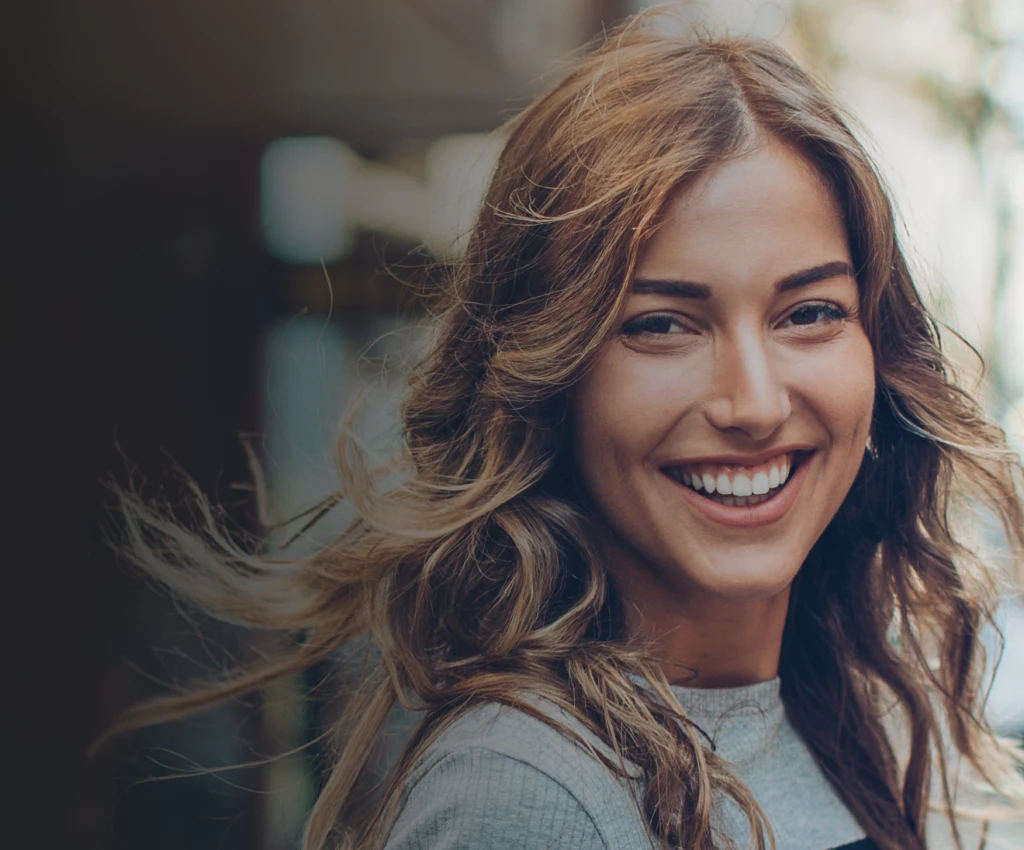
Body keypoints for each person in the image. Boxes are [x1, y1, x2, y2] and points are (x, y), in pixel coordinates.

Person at [105, 9, 1024, 850]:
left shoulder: (834, 718)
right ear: (550, 378)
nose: (752, 402)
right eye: (661, 324)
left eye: (808, 313)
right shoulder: (529, 794)